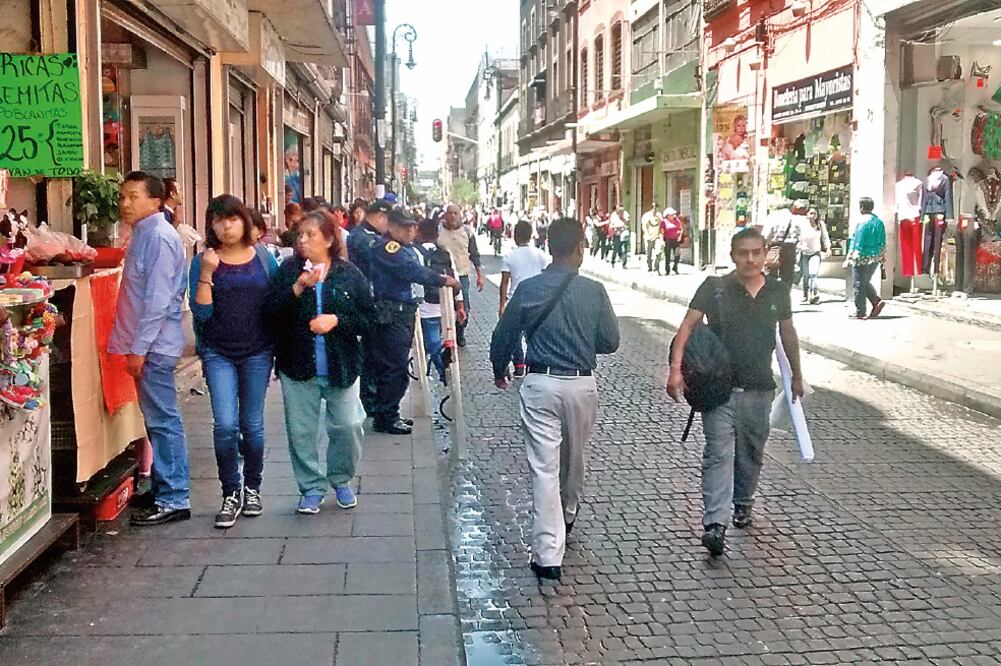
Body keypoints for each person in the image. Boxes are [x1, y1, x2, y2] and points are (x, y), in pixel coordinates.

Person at [490, 218, 620, 581]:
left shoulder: (529, 289)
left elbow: (503, 335)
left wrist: (500, 369)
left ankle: (548, 554)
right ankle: (568, 513)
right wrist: (580, 337)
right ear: (580, 247)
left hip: (540, 383)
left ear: (550, 247)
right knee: (573, 459)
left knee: (543, 467)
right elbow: (610, 341)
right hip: (581, 385)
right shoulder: (594, 291)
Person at [667, 227, 805, 557]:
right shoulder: (715, 289)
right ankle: (714, 524)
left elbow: (787, 333)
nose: (750, 259)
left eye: (756, 252)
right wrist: (675, 369)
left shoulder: (777, 291)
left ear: (765, 254)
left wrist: (797, 375)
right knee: (717, 454)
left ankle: (743, 502)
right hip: (719, 390)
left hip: (760, 388)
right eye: (743, 253)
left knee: (751, 454)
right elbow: (687, 325)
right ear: (732, 256)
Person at [266, 212, 376, 514]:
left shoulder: (349, 274)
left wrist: (337, 321)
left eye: (310, 235)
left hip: (341, 364)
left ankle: (340, 479)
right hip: (297, 364)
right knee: (301, 432)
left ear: (329, 239)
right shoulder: (288, 271)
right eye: (299, 235)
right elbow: (270, 312)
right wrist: (298, 288)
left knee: (349, 425)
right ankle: (311, 488)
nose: (302, 240)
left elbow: (369, 319)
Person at [190, 195, 278, 528]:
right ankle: (231, 491)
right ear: (211, 225)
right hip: (218, 351)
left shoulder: (264, 258)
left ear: (244, 221)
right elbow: (201, 312)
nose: (227, 226)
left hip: (257, 350)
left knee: (252, 425)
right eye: (218, 220)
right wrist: (208, 274)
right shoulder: (204, 261)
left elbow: (275, 303)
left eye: (233, 219)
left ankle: (252, 487)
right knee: (226, 425)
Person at [109, 171, 191, 526]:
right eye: (123, 196)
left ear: (156, 201)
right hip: (146, 342)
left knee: (162, 419)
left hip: (154, 345)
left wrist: (139, 348)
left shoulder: (158, 237)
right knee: (156, 420)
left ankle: (174, 495)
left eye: (133, 196)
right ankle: (164, 487)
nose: (125, 203)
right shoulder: (144, 234)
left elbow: (156, 301)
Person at [369, 208, 461, 434]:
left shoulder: (403, 248)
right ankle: (386, 416)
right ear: (392, 226)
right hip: (392, 315)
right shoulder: (388, 248)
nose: (411, 231)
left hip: (402, 313)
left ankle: (388, 412)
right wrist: (443, 280)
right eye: (405, 227)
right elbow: (412, 271)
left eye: (413, 226)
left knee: (396, 366)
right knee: (395, 367)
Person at [414, 218, 466, 383]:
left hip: (424, 308)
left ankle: (443, 373)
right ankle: (444, 368)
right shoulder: (445, 254)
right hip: (445, 307)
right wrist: (460, 306)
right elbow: (454, 279)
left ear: (419, 233)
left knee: (431, 344)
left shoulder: (416, 253)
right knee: (438, 341)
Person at [499, 221, 551, 378]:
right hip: (538, 300)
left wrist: (502, 304)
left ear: (515, 236)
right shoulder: (541, 255)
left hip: (516, 300)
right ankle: (535, 363)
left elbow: (504, 283)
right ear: (530, 235)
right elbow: (547, 277)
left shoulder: (509, 256)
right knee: (534, 334)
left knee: (514, 334)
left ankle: (519, 364)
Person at [438, 203, 484, 347]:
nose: (452, 216)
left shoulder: (467, 232)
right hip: (443, 276)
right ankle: (445, 336)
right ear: (445, 215)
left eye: (455, 213)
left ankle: (460, 333)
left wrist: (479, 275)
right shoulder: (438, 231)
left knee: (464, 307)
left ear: (460, 215)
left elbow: (474, 254)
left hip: (462, 274)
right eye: (450, 213)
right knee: (442, 306)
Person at [845, 197, 887, 319]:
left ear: (862, 207)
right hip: (875, 256)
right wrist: (882, 256)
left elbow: (857, 241)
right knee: (864, 282)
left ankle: (861, 311)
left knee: (858, 284)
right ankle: (875, 301)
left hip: (862, 256)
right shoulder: (878, 222)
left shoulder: (862, 222)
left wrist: (850, 257)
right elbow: (883, 241)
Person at [763, 203, 803, 286]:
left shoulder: (772, 217)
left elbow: (766, 235)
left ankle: (772, 294)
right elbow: (799, 235)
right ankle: (785, 294)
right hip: (790, 248)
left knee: (771, 272)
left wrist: (765, 246)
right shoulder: (795, 218)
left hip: (775, 247)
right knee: (787, 275)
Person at [798, 207, 831, 304]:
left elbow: (825, 236)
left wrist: (828, 248)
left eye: (814, 214)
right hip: (804, 253)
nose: (812, 216)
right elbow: (796, 237)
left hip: (815, 253)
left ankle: (814, 294)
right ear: (807, 214)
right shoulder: (802, 224)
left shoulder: (820, 225)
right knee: (806, 275)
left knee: (813, 274)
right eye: (810, 213)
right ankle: (805, 294)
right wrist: (799, 246)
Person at [658, 207, 683, 275]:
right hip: (668, 240)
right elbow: (661, 232)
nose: (674, 215)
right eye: (672, 214)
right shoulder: (664, 222)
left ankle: (675, 267)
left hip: (676, 239)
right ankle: (667, 270)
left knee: (677, 254)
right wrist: (662, 240)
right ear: (668, 216)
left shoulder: (676, 220)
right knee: (667, 256)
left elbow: (681, 228)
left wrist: (680, 236)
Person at [641, 203, 661, 272]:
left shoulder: (659, 216)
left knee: (658, 252)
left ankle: (656, 267)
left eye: (657, 208)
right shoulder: (646, 216)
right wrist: (647, 235)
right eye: (654, 208)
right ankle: (649, 267)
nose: (655, 210)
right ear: (651, 208)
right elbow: (644, 226)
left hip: (657, 237)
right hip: (648, 237)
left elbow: (661, 225)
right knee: (649, 254)